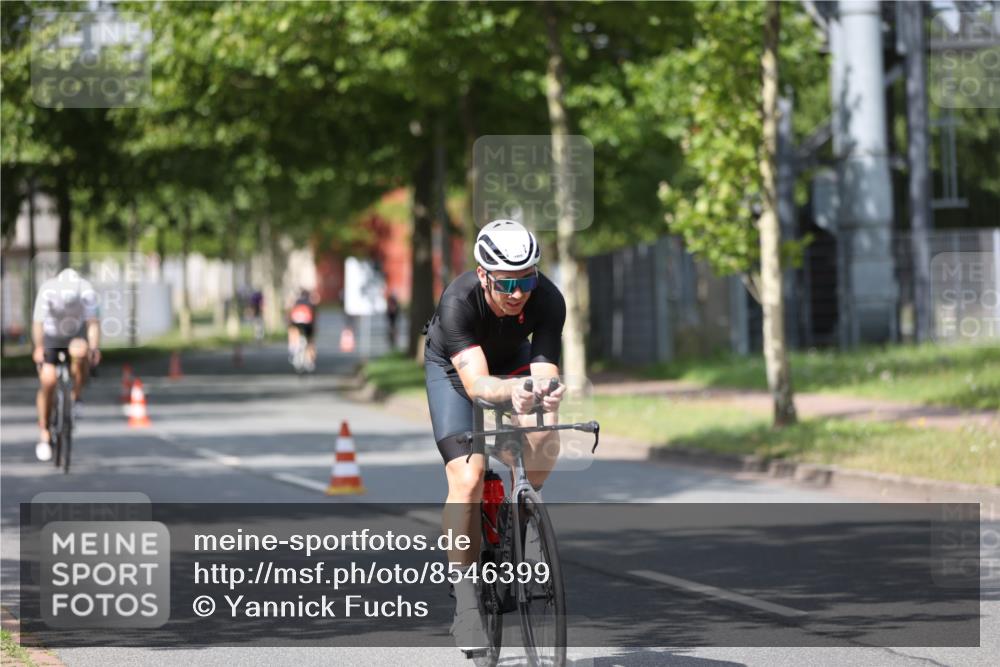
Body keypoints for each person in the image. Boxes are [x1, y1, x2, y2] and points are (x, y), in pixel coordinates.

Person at [423, 220, 567, 650]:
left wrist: (543, 393)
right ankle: (466, 604)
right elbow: (479, 387)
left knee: (544, 426)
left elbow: (543, 369)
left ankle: (525, 518)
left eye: (527, 279)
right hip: (456, 372)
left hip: (512, 360)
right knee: (468, 478)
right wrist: (513, 391)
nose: (518, 292)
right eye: (507, 282)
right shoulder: (458, 302)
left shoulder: (548, 298)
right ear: (484, 274)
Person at [32, 267, 101, 461]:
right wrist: (38, 348)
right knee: (48, 381)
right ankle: (45, 432)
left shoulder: (86, 291)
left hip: (74, 333)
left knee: (81, 353)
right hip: (51, 337)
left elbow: (93, 323)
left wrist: (94, 348)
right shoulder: (47, 291)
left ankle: (76, 396)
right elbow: (38, 323)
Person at [287, 289, 317, 368]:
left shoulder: (296, 302)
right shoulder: (311, 303)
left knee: (293, 332)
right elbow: (314, 316)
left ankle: (292, 349)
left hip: (296, 322)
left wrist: (290, 325)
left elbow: (290, 315)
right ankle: (310, 360)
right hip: (308, 323)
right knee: (310, 340)